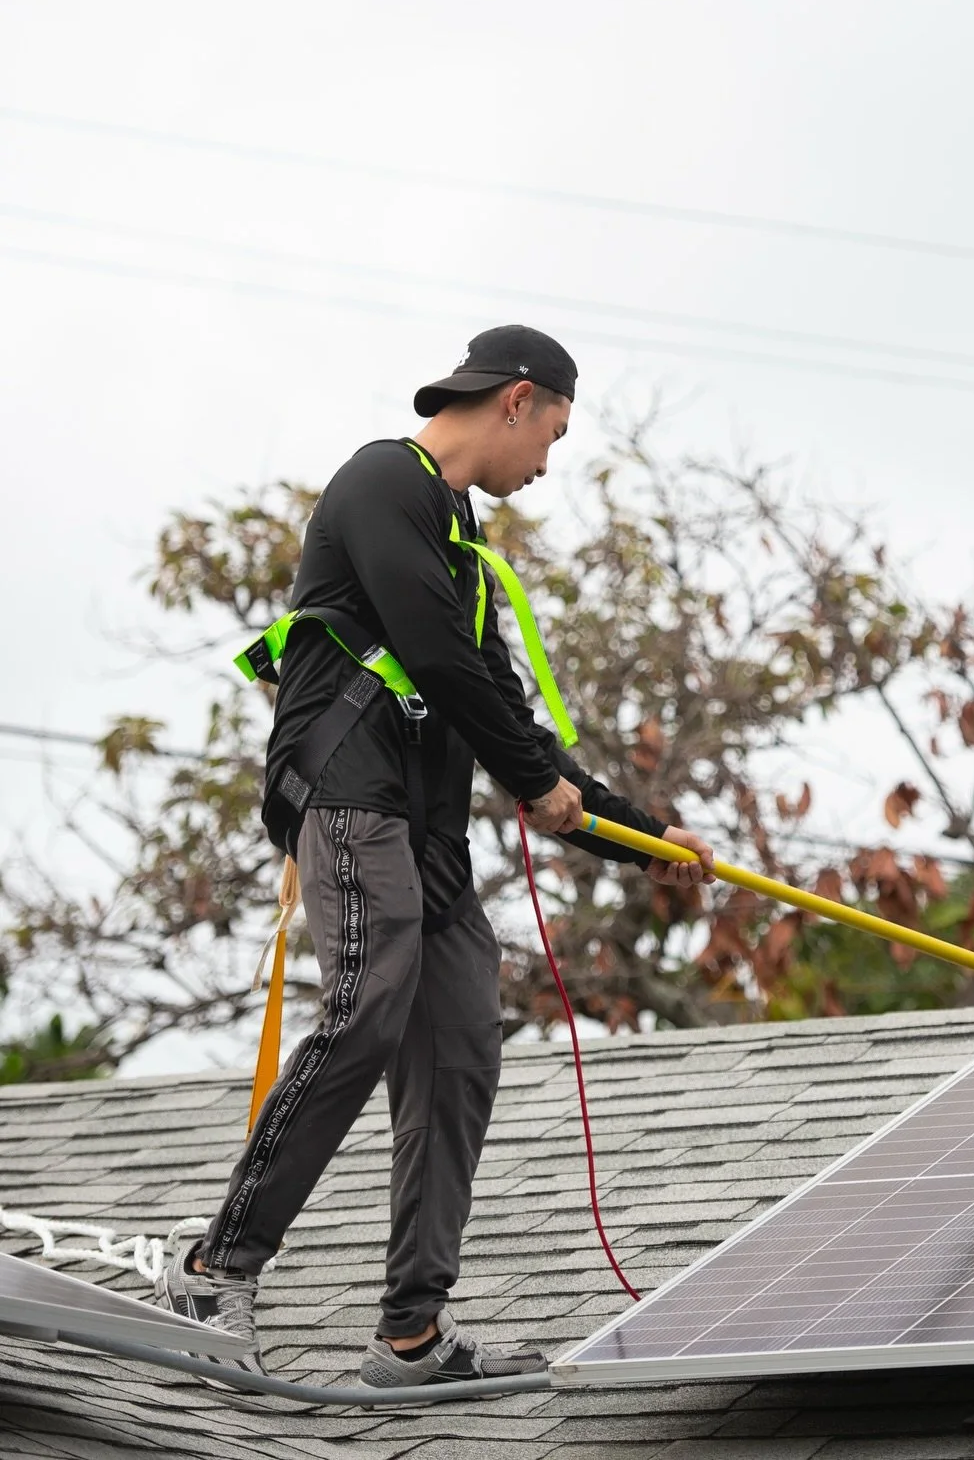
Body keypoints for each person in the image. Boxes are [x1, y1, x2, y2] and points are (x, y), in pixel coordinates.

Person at [155, 324, 715, 1387]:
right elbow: (433, 653)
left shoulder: (464, 546)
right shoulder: (383, 482)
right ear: (517, 399)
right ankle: (213, 1265)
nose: (547, 461)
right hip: (350, 797)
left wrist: (641, 838)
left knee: (460, 1038)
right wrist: (534, 777)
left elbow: (505, 713)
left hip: (427, 833)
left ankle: (412, 1334)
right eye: (553, 432)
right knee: (370, 1001)